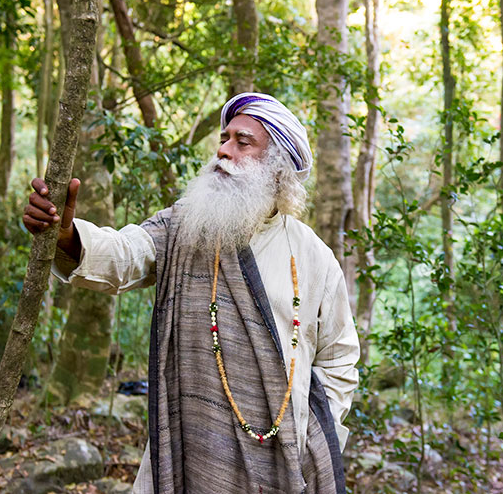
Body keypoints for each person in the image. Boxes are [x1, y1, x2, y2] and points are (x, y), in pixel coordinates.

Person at [23, 93, 359, 494]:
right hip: (189, 450)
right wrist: (67, 236)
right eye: (223, 138)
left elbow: (339, 359)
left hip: (280, 463)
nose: (222, 150)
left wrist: (315, 442)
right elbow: (125, 254)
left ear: (278, 166)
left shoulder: (313, 257)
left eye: (242, 141)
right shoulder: (187, 226)